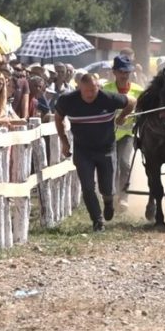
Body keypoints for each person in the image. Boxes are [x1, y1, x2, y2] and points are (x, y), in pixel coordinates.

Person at [54, 73, 137, 232]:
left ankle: (108, 201)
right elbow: (58, 118)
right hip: (83, 150)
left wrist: (123, 116)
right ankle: (97, 221)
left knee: (107, 187)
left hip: (106, 149)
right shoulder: (67, 100)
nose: (90, 94)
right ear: (79, 88)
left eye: (93, 90)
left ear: (98, 87)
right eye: (86, 91)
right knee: (87, 186)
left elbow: (132, 101)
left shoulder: (108, 98)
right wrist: (64, 141)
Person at [102, 55, 145, 204]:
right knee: (111, 164)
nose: (124, 75)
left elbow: (143, 113)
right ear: (114, 72)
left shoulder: (139, 91)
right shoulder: (106, 90)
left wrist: (135, 117)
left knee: (124, 163)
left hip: (128, 134)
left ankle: (124, 196)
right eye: (121, 71)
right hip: (108, 135)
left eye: (127, 72)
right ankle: (112, 193)